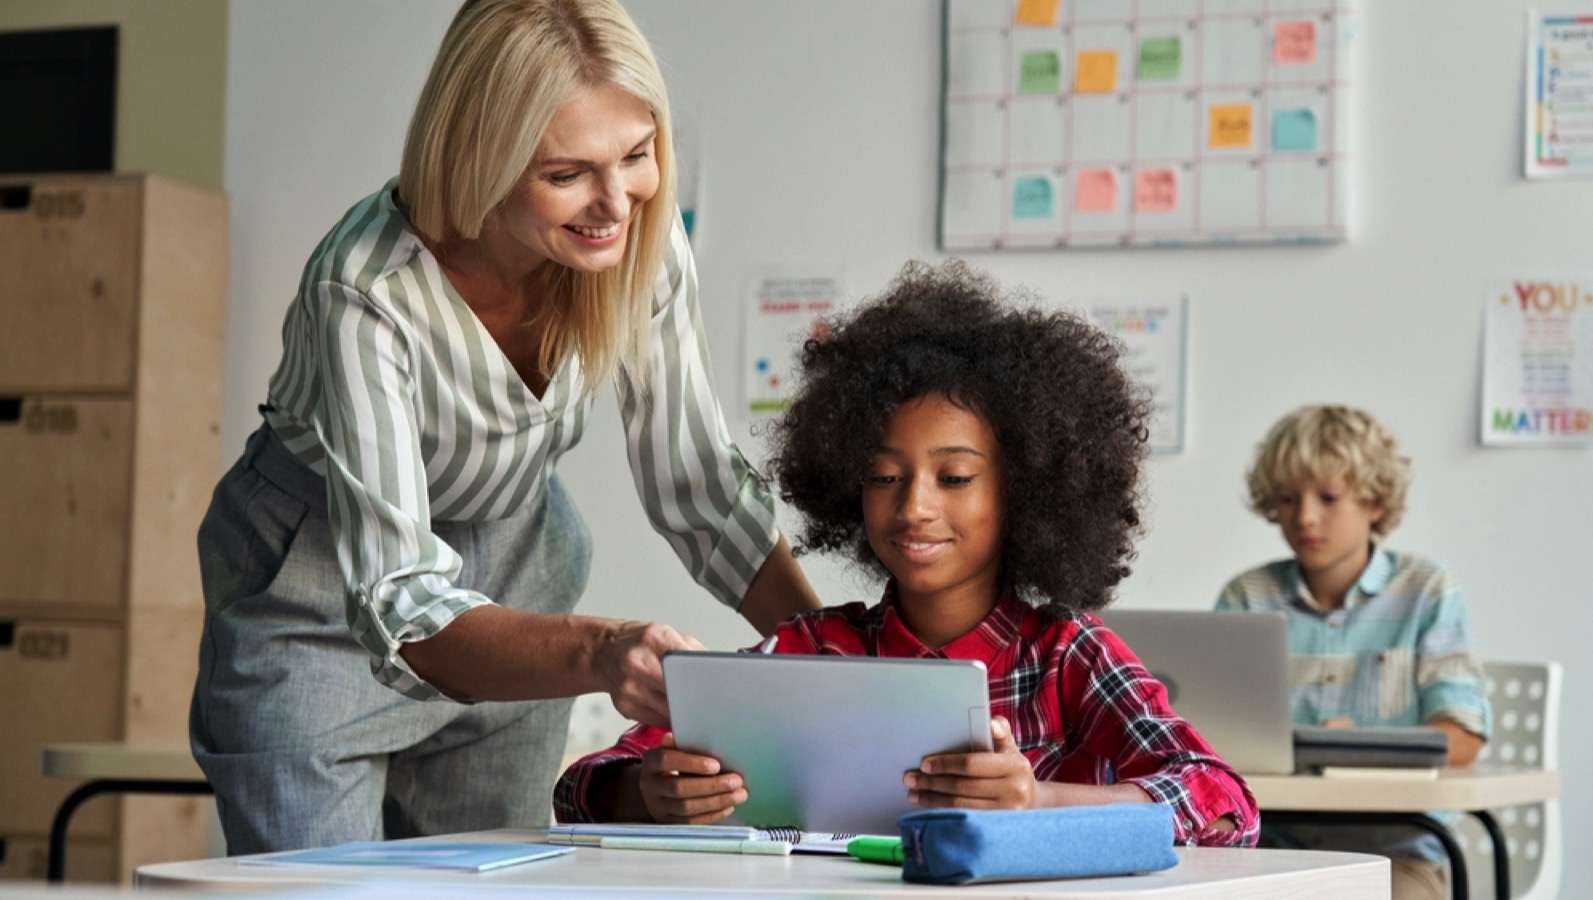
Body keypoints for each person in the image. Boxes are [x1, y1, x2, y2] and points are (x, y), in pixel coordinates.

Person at [190, 0, 820, 854]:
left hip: (518, 569)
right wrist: (606, 650)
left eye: (637, 155)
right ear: (479, 156)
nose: (615, 202)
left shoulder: (638, 238)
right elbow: (406, 604)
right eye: (567, 174)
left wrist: (828, 660)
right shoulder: (365, 290)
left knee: (502, 877)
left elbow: (699, 487)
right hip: (319, 586)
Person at [553, 261, 1259, 847]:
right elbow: (586, 784)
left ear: (1026, 492)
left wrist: (1039, 801)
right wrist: (649, 791)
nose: (914, 505)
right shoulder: (815, 648)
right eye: (885, 476)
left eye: (954, 478)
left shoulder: (1067, 655)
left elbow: (1224, 803)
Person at [1215, 404, 1491, 899]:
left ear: (1375, 502)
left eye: (1329, 497)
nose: (1305, 517)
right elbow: (1209, 734)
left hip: (1397, 852)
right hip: (1271, 850)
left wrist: (1365, 743)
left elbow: (1463, 734)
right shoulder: (1247, 597)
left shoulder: (1426, 592)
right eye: (1287, 498)